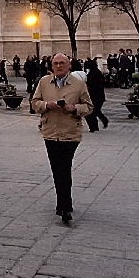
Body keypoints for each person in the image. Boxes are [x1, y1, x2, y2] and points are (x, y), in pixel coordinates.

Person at [30, 53, 93, 225]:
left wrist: (74, 108)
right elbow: (34, 103)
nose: (58, 66)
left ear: (69, 65)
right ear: (51, 66)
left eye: (62, 63)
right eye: (55, 63)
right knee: (57, 168)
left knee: (63, 167)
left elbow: (89, 107)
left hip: (70, 133)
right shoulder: (44, 82)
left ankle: (64, 206)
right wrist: (46, 105)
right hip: (50, 131)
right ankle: (64, 203)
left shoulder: (79, 84)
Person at [84, 61, 109, 131]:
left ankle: (97, 125)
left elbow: (90, 85)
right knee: (95, 111)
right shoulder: (98, 73)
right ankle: (97, 125)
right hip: (99, 95)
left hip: (95, 96)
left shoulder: (92, 74)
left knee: (93, 111)